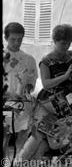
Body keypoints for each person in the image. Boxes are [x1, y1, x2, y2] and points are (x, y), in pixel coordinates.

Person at [2, 22, 38, 150]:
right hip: (5, 101)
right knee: (4, 135)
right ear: (6, 38)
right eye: (13, 39)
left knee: (23, 132)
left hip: (22, 102)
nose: (17, 43)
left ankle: (18, 162)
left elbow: (32, 80)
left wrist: (27, 89)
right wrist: (9, 95)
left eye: (20, 39)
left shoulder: (29, 59)